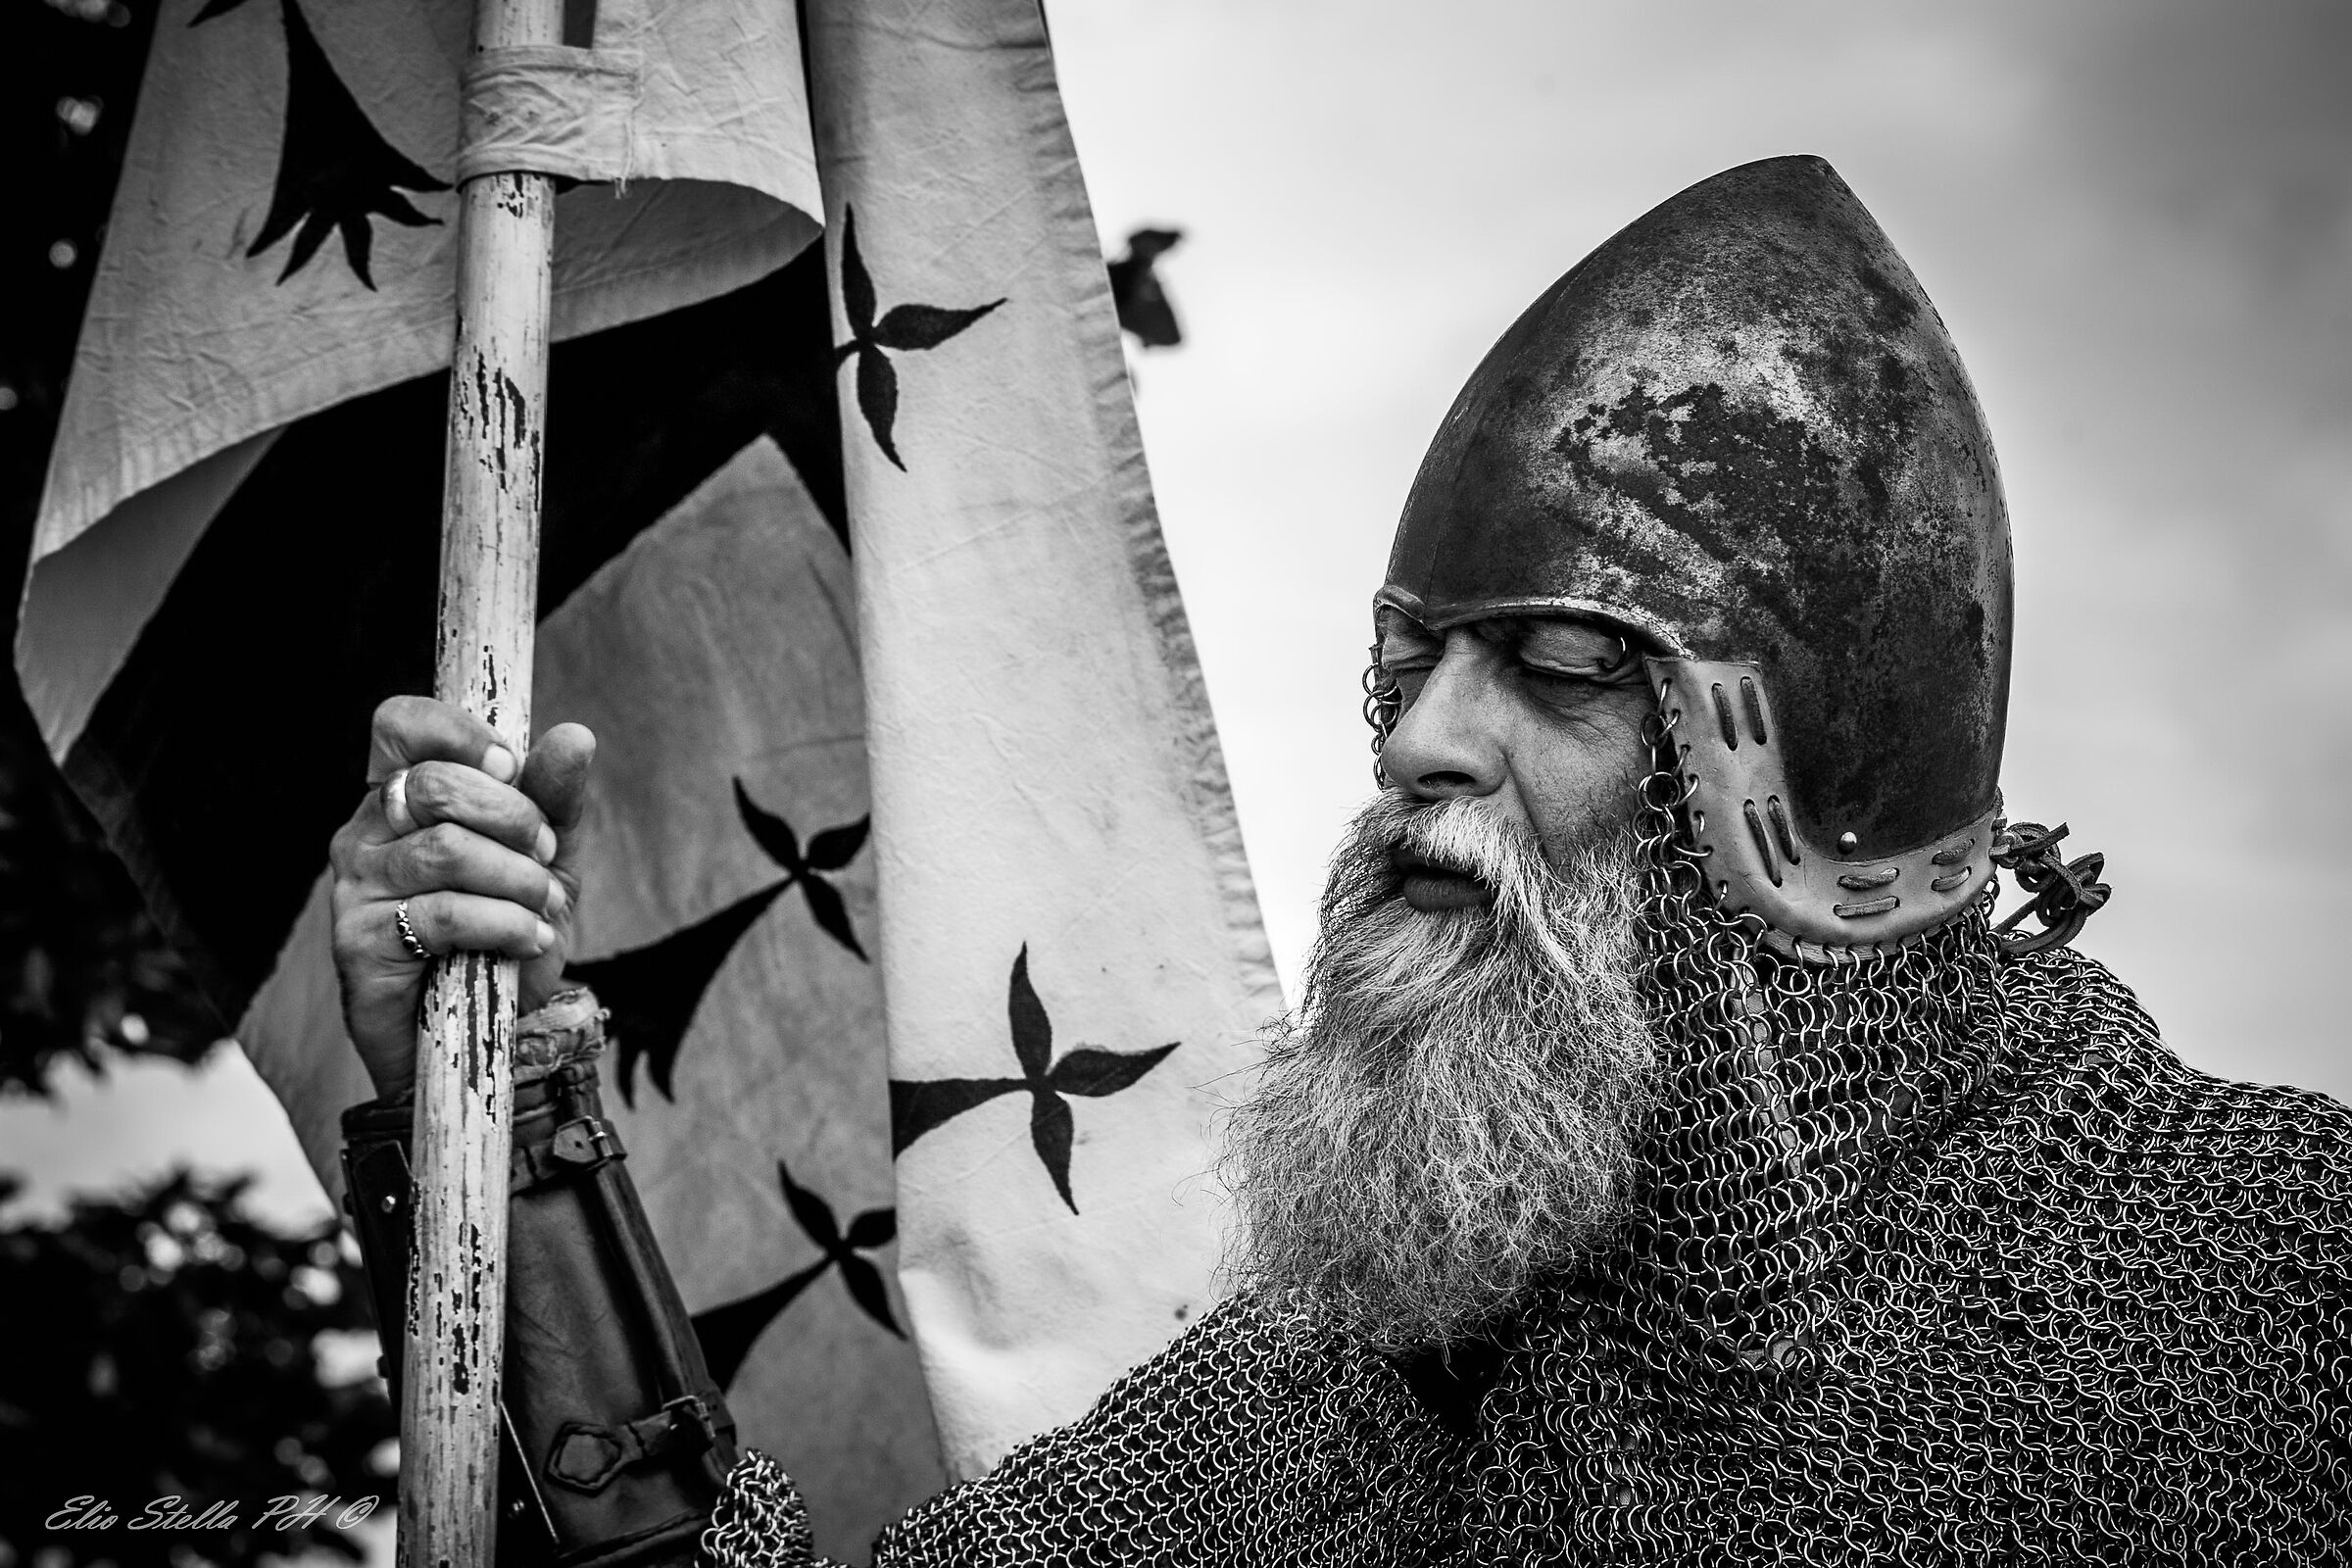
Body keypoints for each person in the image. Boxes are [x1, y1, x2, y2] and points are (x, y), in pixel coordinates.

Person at [329, 157, 2352, 1565]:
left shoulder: (2267, 1286)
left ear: (1809, 784)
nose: (1411, 746)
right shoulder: (1378, 1376)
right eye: (1414, 661)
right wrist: (496, 1097)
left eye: (1556, 671)